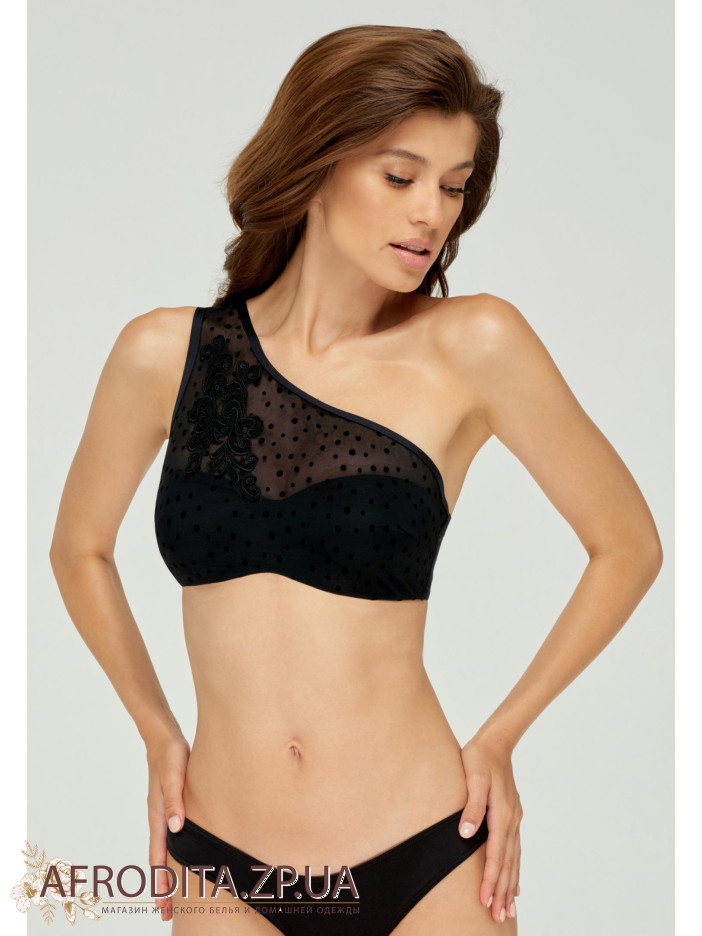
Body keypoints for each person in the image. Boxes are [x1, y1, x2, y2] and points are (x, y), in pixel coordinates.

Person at [49, 24, 663, 935]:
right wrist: (154, 730)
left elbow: (628, 545)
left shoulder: (474, 345)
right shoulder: (164, 355)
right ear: (317, 164)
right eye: (401, 177)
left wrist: (501, 735)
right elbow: (78, 548)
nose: (431, 215)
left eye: (453, 187)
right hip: (223, 860)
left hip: (425, 855)